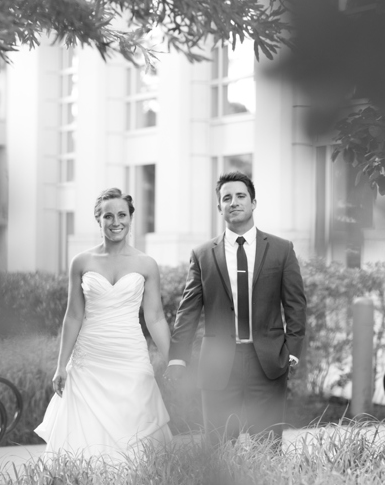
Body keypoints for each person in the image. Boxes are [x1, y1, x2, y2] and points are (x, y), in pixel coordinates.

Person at [164, 172, 307, 447]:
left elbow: (295, 305)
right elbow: (189, 309)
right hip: (218, 366)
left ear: (253, 202)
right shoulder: (203, 254)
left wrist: (293, 352)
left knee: (267, 448)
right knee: (217, 450)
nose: (234, 202)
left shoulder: (281, 249)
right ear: (219, 208)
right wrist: (178, 358)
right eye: (226, 198)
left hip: (268, 363)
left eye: (241, 196)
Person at [35, 188, 172, 461]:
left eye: (122, 215)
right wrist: (61, 365)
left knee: (136, 424)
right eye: (108, 216)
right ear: (98, 220)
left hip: (130, 356)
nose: (115, 222)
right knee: (84, 431)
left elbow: (154, 316)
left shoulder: (146, 263)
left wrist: (173, 360)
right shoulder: (82, 262)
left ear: (130, 218)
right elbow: (73, 315)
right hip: (89, 359)